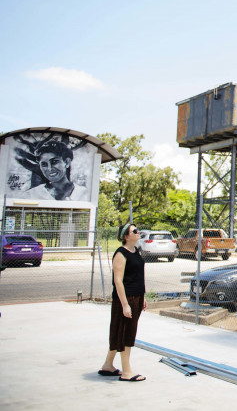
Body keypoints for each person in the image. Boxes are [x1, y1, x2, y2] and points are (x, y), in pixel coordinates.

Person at [98, 223, 147, 382]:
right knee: (126, 333)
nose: (138, 232)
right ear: (126, 236)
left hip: (137, 296)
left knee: (121, 331)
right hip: (126, 298)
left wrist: (143, 297)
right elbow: (118, 281)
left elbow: (138, 276)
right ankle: (127, 372)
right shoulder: (120, 254)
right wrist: (125, 304)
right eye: (134, 231)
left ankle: (108, 365)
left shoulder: (136, 251)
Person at [22, 140, 89, 201]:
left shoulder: (84, 194)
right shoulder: (31, 195)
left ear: (67, 162)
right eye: (44, 164)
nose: (49, 169)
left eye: (54, 162)